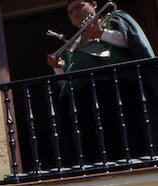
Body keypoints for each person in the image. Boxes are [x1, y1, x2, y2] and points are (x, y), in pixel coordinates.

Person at [47, 1, 155, 163]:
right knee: (96, 145)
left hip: (118, 89)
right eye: (70, 12)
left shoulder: (114, 18)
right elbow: (66, 83)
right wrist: (58, 68)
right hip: (85, 99)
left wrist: (102, 33)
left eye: (79, 6)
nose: (75, 13)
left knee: (127, 138)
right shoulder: (73, 44)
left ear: (94, 4)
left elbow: (131, 42)